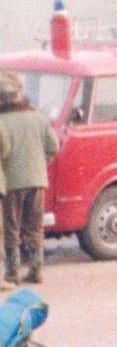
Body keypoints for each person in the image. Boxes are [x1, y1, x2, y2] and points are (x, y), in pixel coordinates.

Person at [0, 73, 59, 286]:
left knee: (11, 228)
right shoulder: (37, 117)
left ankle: (12, 273)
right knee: (35, 226)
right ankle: (36, 270)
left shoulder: (1, 122)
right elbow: (53, 147)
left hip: (12, 183)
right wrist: (39, 164)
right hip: (37, 180)